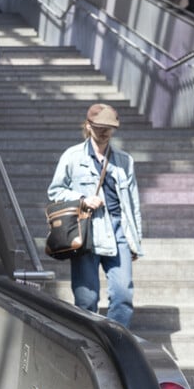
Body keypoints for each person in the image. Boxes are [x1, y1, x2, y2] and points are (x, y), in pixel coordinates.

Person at [47, 104, 143, 327]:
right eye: (99, 127)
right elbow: (55, 191)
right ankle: (90, 346)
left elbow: (133, 202)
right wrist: (83, 198)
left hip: (119, 231)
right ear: (88, 126)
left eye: (109, 127)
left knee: (123, 296)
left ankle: (117, 345)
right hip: (86, 231)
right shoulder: (72, 156)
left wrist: (135, 240)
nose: (104, 132)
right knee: (86, 300)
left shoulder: (124, 160)